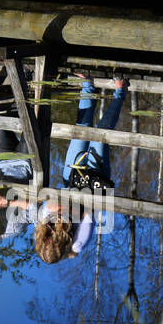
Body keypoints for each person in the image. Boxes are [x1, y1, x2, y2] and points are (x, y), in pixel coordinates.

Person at [33, 74, 127, 264]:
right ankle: (121, 90)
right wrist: (65, 208)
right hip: (94, 181)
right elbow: (89, 215)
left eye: (46, 233)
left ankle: (88, 84)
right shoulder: (78, 242)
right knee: (101, 132)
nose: (49, 229)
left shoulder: (43, 223)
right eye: (52, 235)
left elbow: (50, 204)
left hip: (72, 176)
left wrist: (64, 209)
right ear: (59, 242)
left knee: (80, 129)